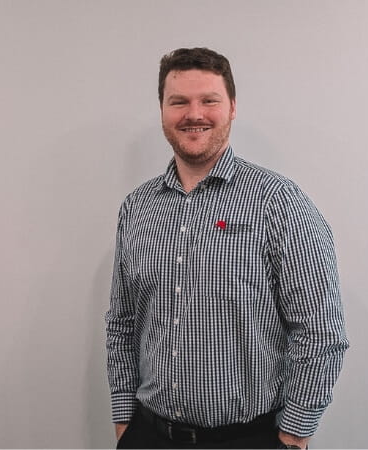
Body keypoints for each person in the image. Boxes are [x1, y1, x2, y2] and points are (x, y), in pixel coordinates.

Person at [105, 47, 349, 449]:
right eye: (179, 101)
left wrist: (292, 435)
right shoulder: (137, 207)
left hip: (247, 438)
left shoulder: (278, 202)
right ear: (162, 111)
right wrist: (124, 422)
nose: (194, 113)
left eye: (209, 100)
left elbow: (320, 332)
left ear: (232, 106)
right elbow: (122, 323)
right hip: (149, 436)